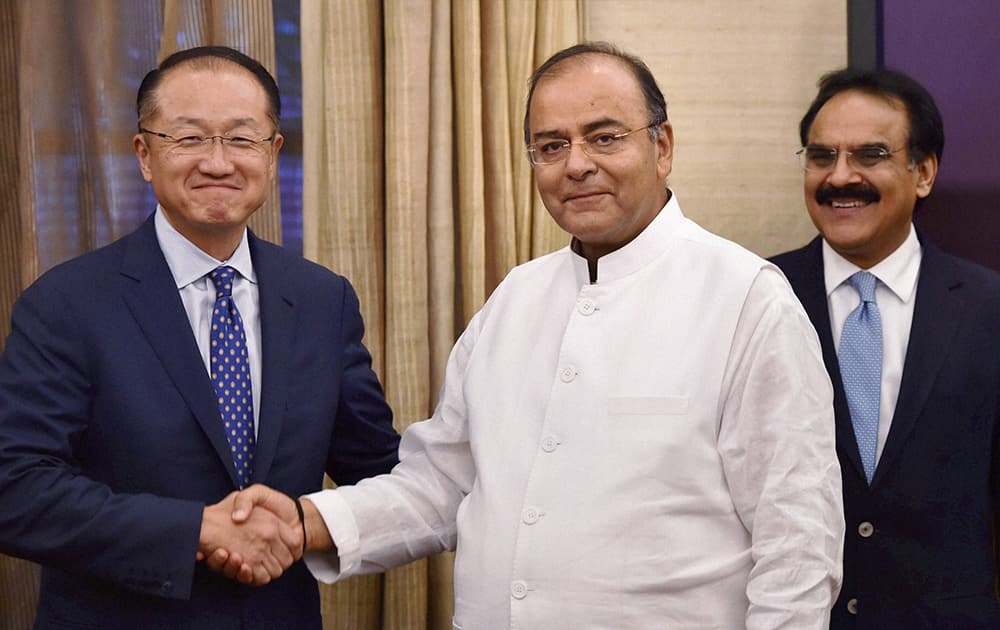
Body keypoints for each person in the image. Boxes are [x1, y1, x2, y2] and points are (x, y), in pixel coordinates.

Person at [234, 42, 845, 628]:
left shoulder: (745, 298)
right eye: (551, 146)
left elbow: (797, 541)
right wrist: (302, 518)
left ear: (662, 146)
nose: (576, 164)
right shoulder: (515, 299)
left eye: (604, 137)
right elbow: (442, 484)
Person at [0, 46, 399, 628]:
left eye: (241, 139)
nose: (218, 162)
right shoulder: (66, 303)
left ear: (273, 152)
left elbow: (380, 474)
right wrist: (196, 530)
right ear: (144, 154)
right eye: (188, 139)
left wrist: (300, 521)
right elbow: (16, 489)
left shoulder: (321, 299)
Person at [771, 68, 1000, 627]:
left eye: (869, 155)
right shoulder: (758, 298)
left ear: (922, 172)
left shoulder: (988, 308)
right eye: (822, 156)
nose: (840, 177)